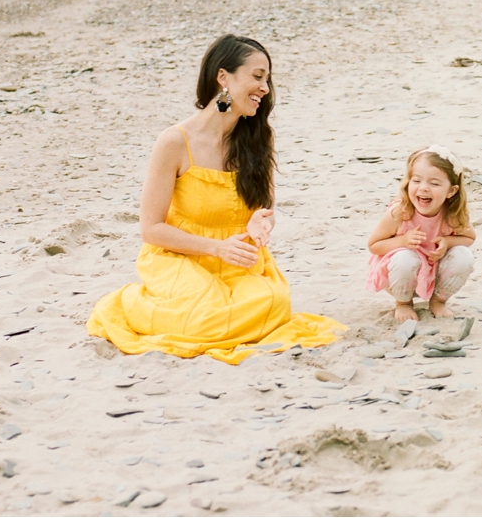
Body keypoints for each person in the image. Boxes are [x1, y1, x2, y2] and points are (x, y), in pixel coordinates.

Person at [87, 34, 343, 363]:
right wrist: (215, 247)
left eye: (267, 79)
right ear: (223, 77)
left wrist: (260, 222)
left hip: (239, 258)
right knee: (205, 317)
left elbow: (266, 209)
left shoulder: (258, 138)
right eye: (257, 76)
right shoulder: (174, 142)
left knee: (274, 302)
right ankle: (129, 303)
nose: (265, 88)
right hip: (181, 256)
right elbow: (151, 229)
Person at [367, 145, 476, 322]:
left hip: (434, 274)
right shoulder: (400, 213)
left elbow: (470, 238)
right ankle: (403, 304)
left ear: (451, 191)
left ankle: (438, 301)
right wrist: (403, 240)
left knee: (464, 255)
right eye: (416, 180)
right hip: (399, 274)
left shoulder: (452, 214)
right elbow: (374, 245)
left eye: (434, 183)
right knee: (405, 258)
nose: (423, 188)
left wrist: (448, 242)